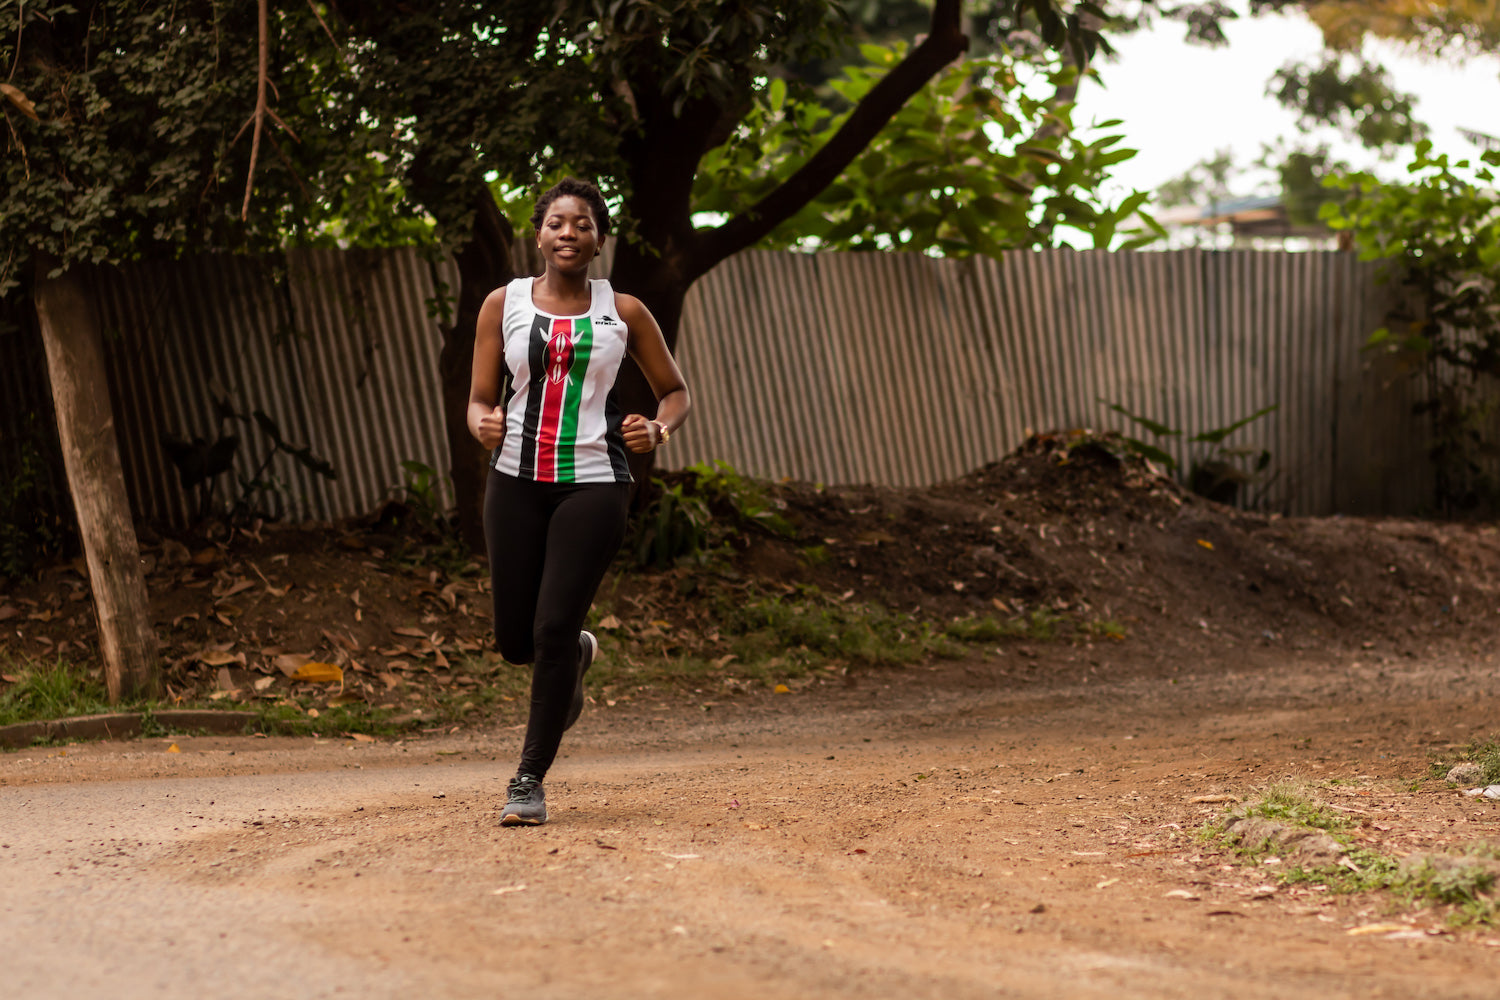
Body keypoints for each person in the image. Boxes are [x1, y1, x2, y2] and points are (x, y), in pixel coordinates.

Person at [468, 177, 690, 827]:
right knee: (516, 641)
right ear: (538, 235)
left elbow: (674, 391)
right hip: (514, 479)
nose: (569, 233)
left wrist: (659, 429)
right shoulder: (502, 304)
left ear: (599, 241)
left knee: (552, 629)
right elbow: (479, 398)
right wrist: (481, 423)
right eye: (557, 223)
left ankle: (528, 780)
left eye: (583, 224)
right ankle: (575, 658)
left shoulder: (624, 311)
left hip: (595, 481)